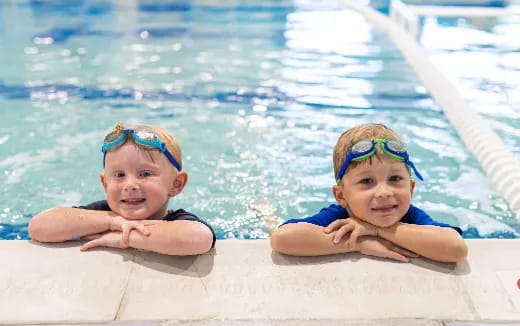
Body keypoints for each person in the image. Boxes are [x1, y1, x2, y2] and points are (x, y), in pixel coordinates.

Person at [270, 123, 467, 263]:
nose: (384, 192)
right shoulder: (339, 217)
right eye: (367, 181)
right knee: (270, 224)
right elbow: (282, 238)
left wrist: (378, 230)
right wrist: (360, 244)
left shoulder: (411, 216)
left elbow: (455, 249)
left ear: (411, 188)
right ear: (341, 196)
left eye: (395, 179)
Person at [29, 123, 215, 255]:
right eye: (119, 175)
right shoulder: (103, 213)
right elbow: (39, 226)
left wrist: (124, 238)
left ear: (176, 184)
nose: (130, 185)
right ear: (105, 183)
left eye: (145, 174)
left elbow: (198, 238)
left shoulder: (177, 221)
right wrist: (113, 222)